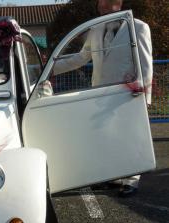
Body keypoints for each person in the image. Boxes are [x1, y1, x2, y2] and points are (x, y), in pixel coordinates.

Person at [53, 0, 153, 197]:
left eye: (108, 2)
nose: (103, 6)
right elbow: (81, 58)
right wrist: (50, 69)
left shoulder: (139, 27)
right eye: (101, 2)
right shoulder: (96, 28)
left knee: (129, 137)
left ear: (119, 2)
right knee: (107, 136)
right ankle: (113, 176)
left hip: (127, 94)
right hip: (99, 94)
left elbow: (145, 63)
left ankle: (130, 180)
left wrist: (144, 96)